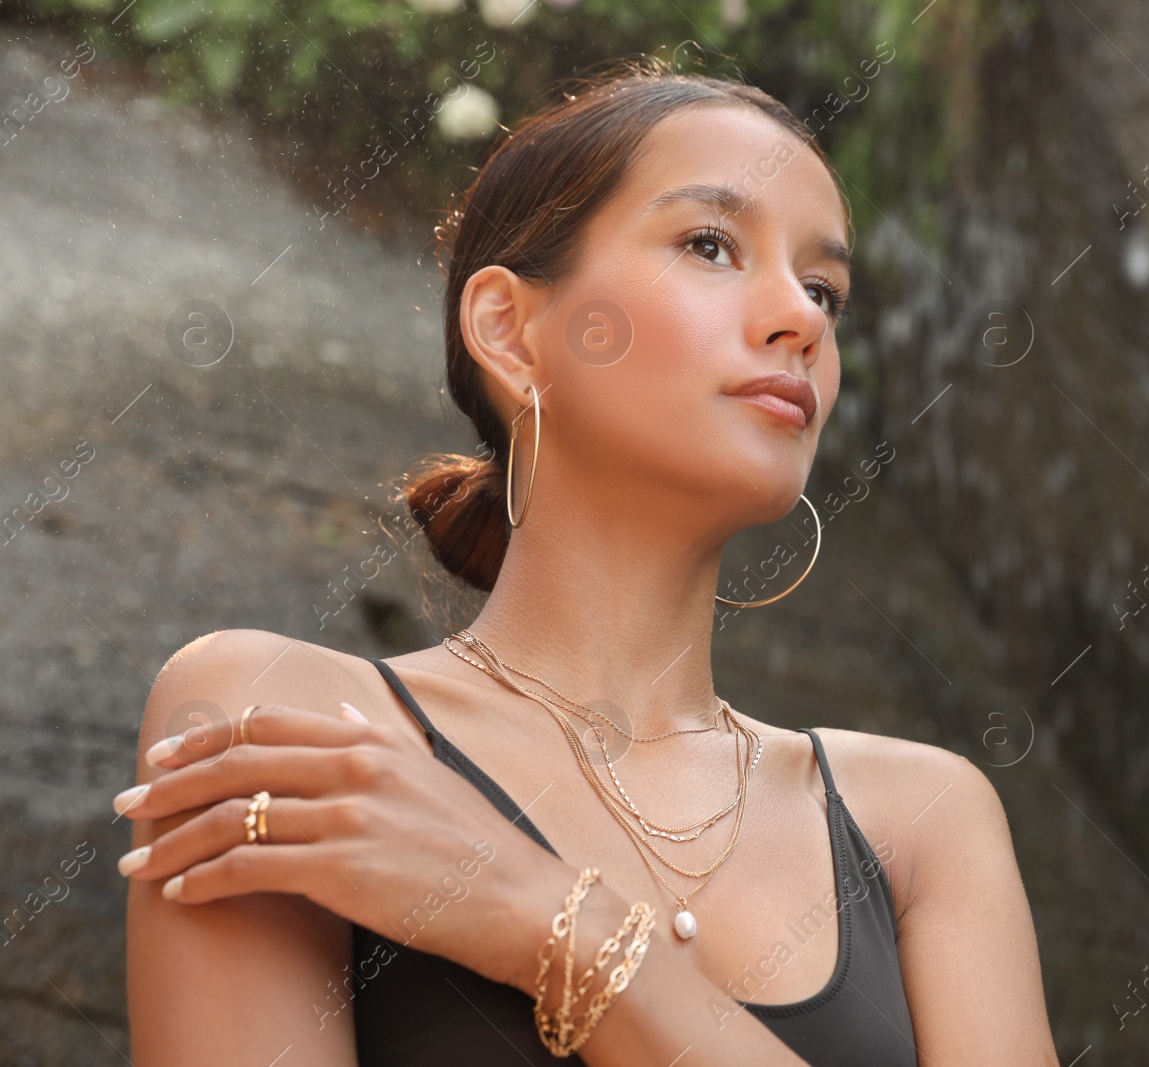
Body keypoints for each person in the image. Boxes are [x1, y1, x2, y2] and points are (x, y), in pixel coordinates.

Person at [117, 56, 1058, 1065]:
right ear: (512, 331)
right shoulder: (295, 720)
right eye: (710, 243)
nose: (802, 318)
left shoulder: (923, 817)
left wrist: (552, 923)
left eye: (825, 286)